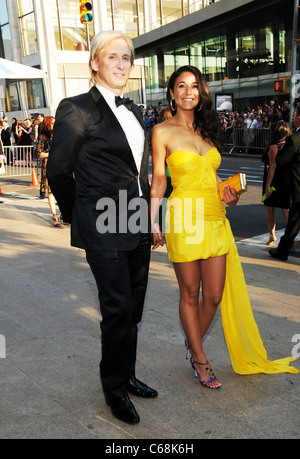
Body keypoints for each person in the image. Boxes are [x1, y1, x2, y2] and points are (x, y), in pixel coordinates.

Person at [150, 65, 298, 390]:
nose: (188, 91)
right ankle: (200, 359)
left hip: (216, 217)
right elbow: (160, 179)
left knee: (213, 296)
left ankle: (192, 344)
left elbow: (213, 178)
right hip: (184, 218)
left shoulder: (206, 130)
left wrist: (229, 194)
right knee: (190, 293)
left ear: (200, 93)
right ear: (173, 93)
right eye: (181, 86)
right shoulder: (162, 131)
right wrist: (152, 220)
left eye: (194, 86)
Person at [47, 30, 157, 425]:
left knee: (134, 308)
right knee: (116, 309)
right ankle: (113, 388)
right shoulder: (75, 108)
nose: (122, 64)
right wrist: (82, 215)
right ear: (95, 62)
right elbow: (58, 170)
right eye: (113, 57)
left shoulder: (133, 110)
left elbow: (137, 170)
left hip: (137, 222)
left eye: (126, 57)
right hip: (103, 225)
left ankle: (127, 375)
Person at [269, 103, 300, 261]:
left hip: (292, 190)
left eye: (294, 115)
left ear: (299, 118)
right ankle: (282, 250)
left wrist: (283, 149)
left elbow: (280, 161)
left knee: (292, 221)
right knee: (292, 223)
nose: (292, 118)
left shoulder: (294, 140)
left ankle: (281, 250)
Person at [262, 121, 291, 246]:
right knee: (286, 210)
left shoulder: (274, 146)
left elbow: (272, 167)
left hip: (274, 182)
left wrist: (268, 185)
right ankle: (291, 238)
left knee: (270, 208)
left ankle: (272, 235)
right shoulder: (289, 145)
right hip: (286, 180)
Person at [36, 116, 61, 227]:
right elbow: (38, 153)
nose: (54, 125)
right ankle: (54, 215)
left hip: (61, 165)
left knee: (62, 191)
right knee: (51, 192)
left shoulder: (58, 135)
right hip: (48, 166)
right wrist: (52, 154)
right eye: (52, 123)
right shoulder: (43, 137)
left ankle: (63, 214)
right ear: (47, 124)